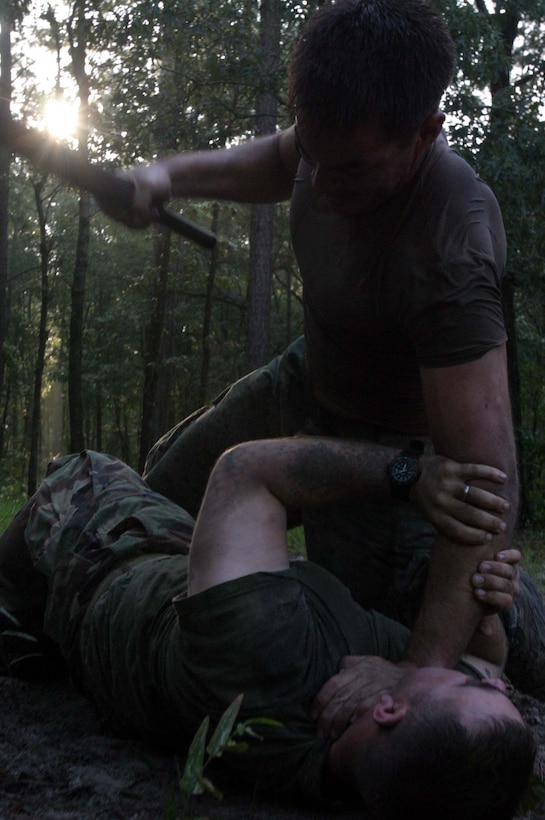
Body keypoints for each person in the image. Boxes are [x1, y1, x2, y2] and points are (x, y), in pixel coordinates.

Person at [99, 0, 531, 688]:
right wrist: (168, 176)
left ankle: (517, 620)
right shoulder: (329, 139)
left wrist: (416, 675)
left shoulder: (450, 245)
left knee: (404, 625)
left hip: (395, 456)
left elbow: (483, 484)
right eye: (315, 155)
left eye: (352, 170)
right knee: (148, 507)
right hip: (304, 384)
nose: (323, 187)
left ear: (425, 132)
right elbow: (276, 160)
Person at [0, 440, 536, 819]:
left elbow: (245, 469)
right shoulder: (385, 756)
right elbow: (489, 662)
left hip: (114, 564)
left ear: (388, 710)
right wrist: (486, 618)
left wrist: (410, 475)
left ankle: (12, 602)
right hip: (200, 592)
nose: (495, 684)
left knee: (81, 470)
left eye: (473, 688)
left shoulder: (266, 653)